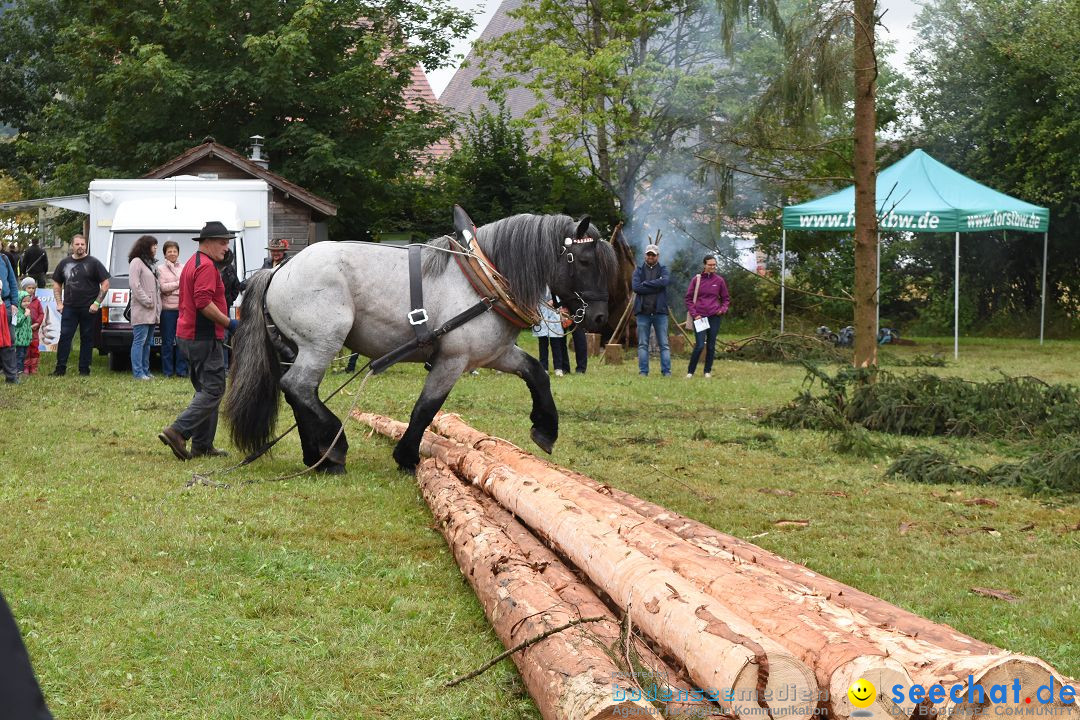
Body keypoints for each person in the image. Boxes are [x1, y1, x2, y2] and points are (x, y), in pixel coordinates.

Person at [158, 221, 238, 461]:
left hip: (189, 335)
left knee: (206, 389)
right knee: (214, 389)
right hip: (202, 337)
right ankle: (178, 431)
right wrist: (230, 324)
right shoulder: (205, 267)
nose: (226, 247)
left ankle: (202, 445)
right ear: (209, 242)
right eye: (223, 242)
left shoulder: (193, 262)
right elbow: (203, 302)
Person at [51, 234, 110, 376]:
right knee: (65, 336)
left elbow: (106, 284)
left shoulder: (94, 263)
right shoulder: (64, 263)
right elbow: (57, 283)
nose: (80, 247)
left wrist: (97, 303)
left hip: (89, 308)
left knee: (87, 338)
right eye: (77, 244)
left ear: (86, 245)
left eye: (82, 244)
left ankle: (84, 370)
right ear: (72, 245)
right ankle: (60, 369)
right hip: (69, 307)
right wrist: (59, 303)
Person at [685, 255, 730, 379]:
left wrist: (722, 310)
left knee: (711, 345)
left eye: (714, 264)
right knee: (699, 345)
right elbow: (688, 299)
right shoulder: (696, 280)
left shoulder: (719, 281)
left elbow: (726, 299)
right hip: (700, 317)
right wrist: (695, 314)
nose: (712, 267)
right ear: (704, 265)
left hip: (714, 317)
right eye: (710, 265)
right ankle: (690, 372)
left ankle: (707, 371)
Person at [631, 243, 671, 377]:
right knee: (643, 344)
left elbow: (664, 282)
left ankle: (666, 372)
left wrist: (646, 284)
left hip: (660, 313)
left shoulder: (664, 269)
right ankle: (643, 371)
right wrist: (656, 284)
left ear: (657, 256)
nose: (650, 257)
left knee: (664, 344)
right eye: (648, 254)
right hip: (643, 313)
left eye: (653, 255)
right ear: (645, 255)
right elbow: (636, 288)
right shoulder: (638, 270)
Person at [127, 235, 161, 380]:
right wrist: (147, 301)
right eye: (154, 245)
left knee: (148, 343)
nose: (155, 248)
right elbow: (135, 285)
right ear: (146, 246)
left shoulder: (151, 264)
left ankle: (146, 371)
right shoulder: (136, 262)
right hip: (142, 309)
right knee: (139, 341)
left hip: (152, 311)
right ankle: (138, 372)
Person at [158, 240, 188, 378]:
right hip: (167, 310)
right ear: (165, 254)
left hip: (182, 308)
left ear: (178, 253)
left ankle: (181, 370)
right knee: (168, 341)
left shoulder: (184, 267)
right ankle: (168, 371)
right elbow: (163, 288)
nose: (172, 253)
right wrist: (178, 284)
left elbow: (187, 286)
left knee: (182, 340)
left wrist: (173, 289)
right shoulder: (160, 269)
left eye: (174, 251)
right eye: (169, 251)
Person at [532, 289, 568, 376]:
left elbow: (561, 297)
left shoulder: (555, 284)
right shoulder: (538, 283)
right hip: (541, 314)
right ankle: (544, 368)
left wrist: (554, 301)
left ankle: (558, 368)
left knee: (556, 345)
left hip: (554, 314)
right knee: (543, 345)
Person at [0, 250, 19, 383]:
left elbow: (12, 282)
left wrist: (14, 303)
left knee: (9, 342)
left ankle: (11, 377)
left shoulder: (4, 259)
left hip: (5, 305)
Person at [21, 278, 43, 375]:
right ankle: (25, 367)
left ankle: (33, 367)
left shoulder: (37, 301)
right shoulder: (20, 300)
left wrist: (37, 323)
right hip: (24, 329)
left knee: (34, 348)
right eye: (28, 287)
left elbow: (41, 313)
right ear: (23, 288)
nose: (31, 290)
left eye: (33, 288)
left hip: (34, 329)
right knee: (25, 348)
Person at [13, 291, 32, 377]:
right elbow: (17, 323)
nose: (26, 303)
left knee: (24, 355)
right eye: (24, 301)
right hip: (19, 340)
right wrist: (25, 315)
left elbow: (28, 326)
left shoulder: (27, 311)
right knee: (19, 356)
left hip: (25, 339)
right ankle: (18, 371)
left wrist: (30, 336)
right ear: (19, 301)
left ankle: (20, 370)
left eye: (28, 301)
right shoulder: (17, 312)